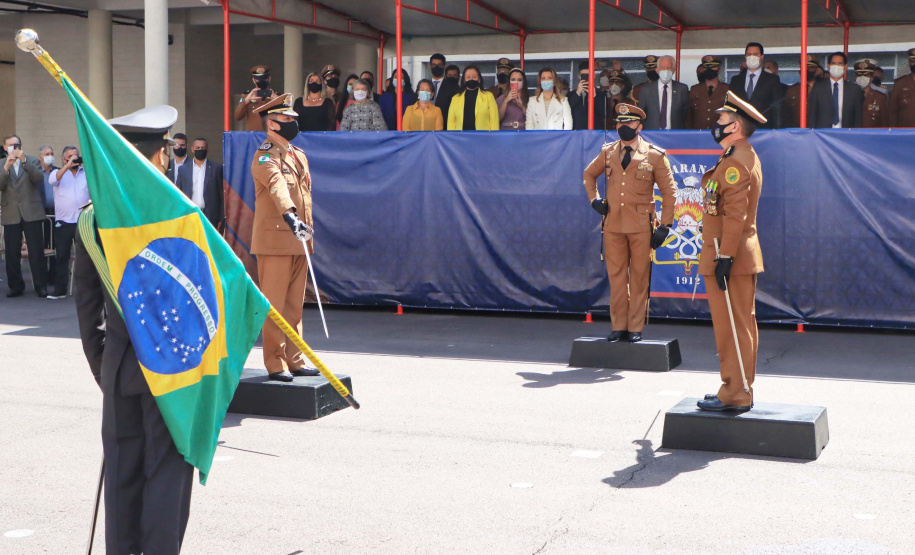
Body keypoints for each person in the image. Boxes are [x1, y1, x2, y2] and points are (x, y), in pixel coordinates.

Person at [74, 104, 195, 554]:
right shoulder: (177, 212)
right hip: (173, 369)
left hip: (121, 367)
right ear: (161, 154)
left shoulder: (94, 217)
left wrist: (103, 365)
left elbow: (86, 304)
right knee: (166, 472)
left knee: (122, 473)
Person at [696, 91, 767, 412]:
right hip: (734, 255)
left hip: (729, 256)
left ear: (736, 126)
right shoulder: (739, 155)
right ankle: (736, 385)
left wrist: (724, 256)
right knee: (741, 325)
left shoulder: (735, 162)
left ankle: (736, 393)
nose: (717, 124)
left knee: (732, 328)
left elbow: (735, 215)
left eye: (722, 120)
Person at [582, 103, 677, 343]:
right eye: (620, 123)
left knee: (639, 277)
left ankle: (635, 327)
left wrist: (665, 226)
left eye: (629, 123)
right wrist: (594, 200)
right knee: (616, 278)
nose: (624, 127)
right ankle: (619, 326)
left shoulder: (654, 154)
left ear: (639, 126)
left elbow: (670, 192)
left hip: (641, 227)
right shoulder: (608, 151)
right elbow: (588, 174)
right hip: (613, 225)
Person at [249, 94, 320, 382]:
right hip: (277, 240)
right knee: (275, 306)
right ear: (273, 125)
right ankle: (275, 362)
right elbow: (277, 186)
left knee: (294, 305)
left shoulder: (297, 153)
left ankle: (295, 359)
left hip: (299, 239)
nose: (293, 123)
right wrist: (291, 216)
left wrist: (302, 225)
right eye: (288, 119)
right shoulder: (265, 155)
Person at [0, 134, 48, 297]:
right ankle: (15, 286)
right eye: (11, 145)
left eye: (17, 144)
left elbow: (39, 178)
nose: (14, 147)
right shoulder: (1, 164)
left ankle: (40, 285)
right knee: (12, 252)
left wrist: (24, 162)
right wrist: (6, 168)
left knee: (36, 251)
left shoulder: (32, 160)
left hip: (31, 211)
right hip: (11, 212)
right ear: (5, 148)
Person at [47, 145, 89, 298]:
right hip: (64, 222)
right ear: (64, 159)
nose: (74, 159)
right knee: (62, 257)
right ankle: (60, 291)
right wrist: (67, 166)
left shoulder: (86, 174)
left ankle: (86, 291)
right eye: (70, 156)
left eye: (76, 156)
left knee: (86, 257)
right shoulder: (58, 173)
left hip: (82, 221)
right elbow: (53, 180)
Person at [176, 137, 225, 231]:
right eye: (197, 148)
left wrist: (221, 218)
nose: (200, 150)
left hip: (210, 217)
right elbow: (179, 193)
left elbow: (221, 195)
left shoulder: (216, 169)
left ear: (207, 149)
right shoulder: (183, 169)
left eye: (203, 148)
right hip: (189, 215)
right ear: (192, 149)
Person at [729, 42, 781, 128]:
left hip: (764, 130)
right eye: (749, 54)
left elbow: (777, 108)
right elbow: (731, 106)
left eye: (755, 54)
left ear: (761, 57)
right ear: (745, 56)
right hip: (740, 129)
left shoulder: (772, 80)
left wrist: (776, 130)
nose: (752, 57)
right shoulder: (736, 80)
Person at [807, 52, 863, 128]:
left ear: (845, 66)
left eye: (840, 63)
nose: (836, 66)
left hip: (846, 134)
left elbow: (858, 118)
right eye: (833, 63)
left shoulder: (854, 89)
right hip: (824, 135)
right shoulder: (818, 88)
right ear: (828, 66)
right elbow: (812, 115)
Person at [640, 55, 688, 130]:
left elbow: (685, 114)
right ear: (657, 70)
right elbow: (642, 114)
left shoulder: (682, 89)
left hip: (675, 134)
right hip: (652, 135)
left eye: (669, 68)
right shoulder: (646, 89)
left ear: (674, 70)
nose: (666, 70)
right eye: (662, 68)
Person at [447, 66, 500, 131]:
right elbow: (451, 122)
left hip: (483, 138)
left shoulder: (488, 96)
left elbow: (494, 120)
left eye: (474, 77)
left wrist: (493, 137)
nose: (471, 79)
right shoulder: (456, 98)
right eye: (468, 77)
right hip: (460, 139)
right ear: (464, 80)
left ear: (479, 79)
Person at [687, 55, 731, 130]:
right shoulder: (695, 89)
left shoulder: (727, 89)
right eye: (706, 67)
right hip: (699, 136)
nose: (709, 69)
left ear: (719, 70)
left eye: (712, 67)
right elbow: (689, 116)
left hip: (721, 135)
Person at [783, 54, 823, 128]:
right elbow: (787, 115)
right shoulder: (792, 90)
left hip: (819, 132)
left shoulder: (824, 89)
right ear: (799, 71)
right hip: (797, 132)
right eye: (804, 67)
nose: (807, 70)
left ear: (817, 70)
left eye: (810, 67)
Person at [234, 65, 278, 131]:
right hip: (253, 137)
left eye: (264, 79)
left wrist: (278, 101)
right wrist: (246, 100)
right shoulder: (247, 96)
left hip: (272, 137)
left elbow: (288, 118)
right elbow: (237, 116)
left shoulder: (277, 96)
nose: (262, 81)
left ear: (269, 78)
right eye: (258, 79)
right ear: (253, 80)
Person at [38, 145, 58, 288]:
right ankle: (42, 277)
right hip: (40, 212)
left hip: (57, 211)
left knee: (56, 245)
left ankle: (54, 277)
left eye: (51, 153)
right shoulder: (35, 172)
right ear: (40, 156)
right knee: (42, 246)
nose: (50, 155)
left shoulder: (58, 171)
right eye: (47, 153)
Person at [854, 60, 889, 128]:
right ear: (855, 78)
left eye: (866, 75)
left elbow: (885, 123)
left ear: (871, 78)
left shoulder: (880, 97)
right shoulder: (848, 96)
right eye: (859, 75)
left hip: (873, 136)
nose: (862, 77)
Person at [889, 48, 915, 127]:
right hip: (905, 132)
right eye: (913, 61)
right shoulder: (900, 83)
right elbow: (892, 111)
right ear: (909, 63)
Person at [569, 62, 596, 130]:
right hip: (576, 133)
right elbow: (568, 109)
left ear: (594, 76)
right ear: (579, 76)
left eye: (588, 75)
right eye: (583, 75)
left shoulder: (601, 94)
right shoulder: (571, 95)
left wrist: (594, 96)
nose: (586, 78)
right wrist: (578, 93)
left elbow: (604, 113)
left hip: (595, 134)